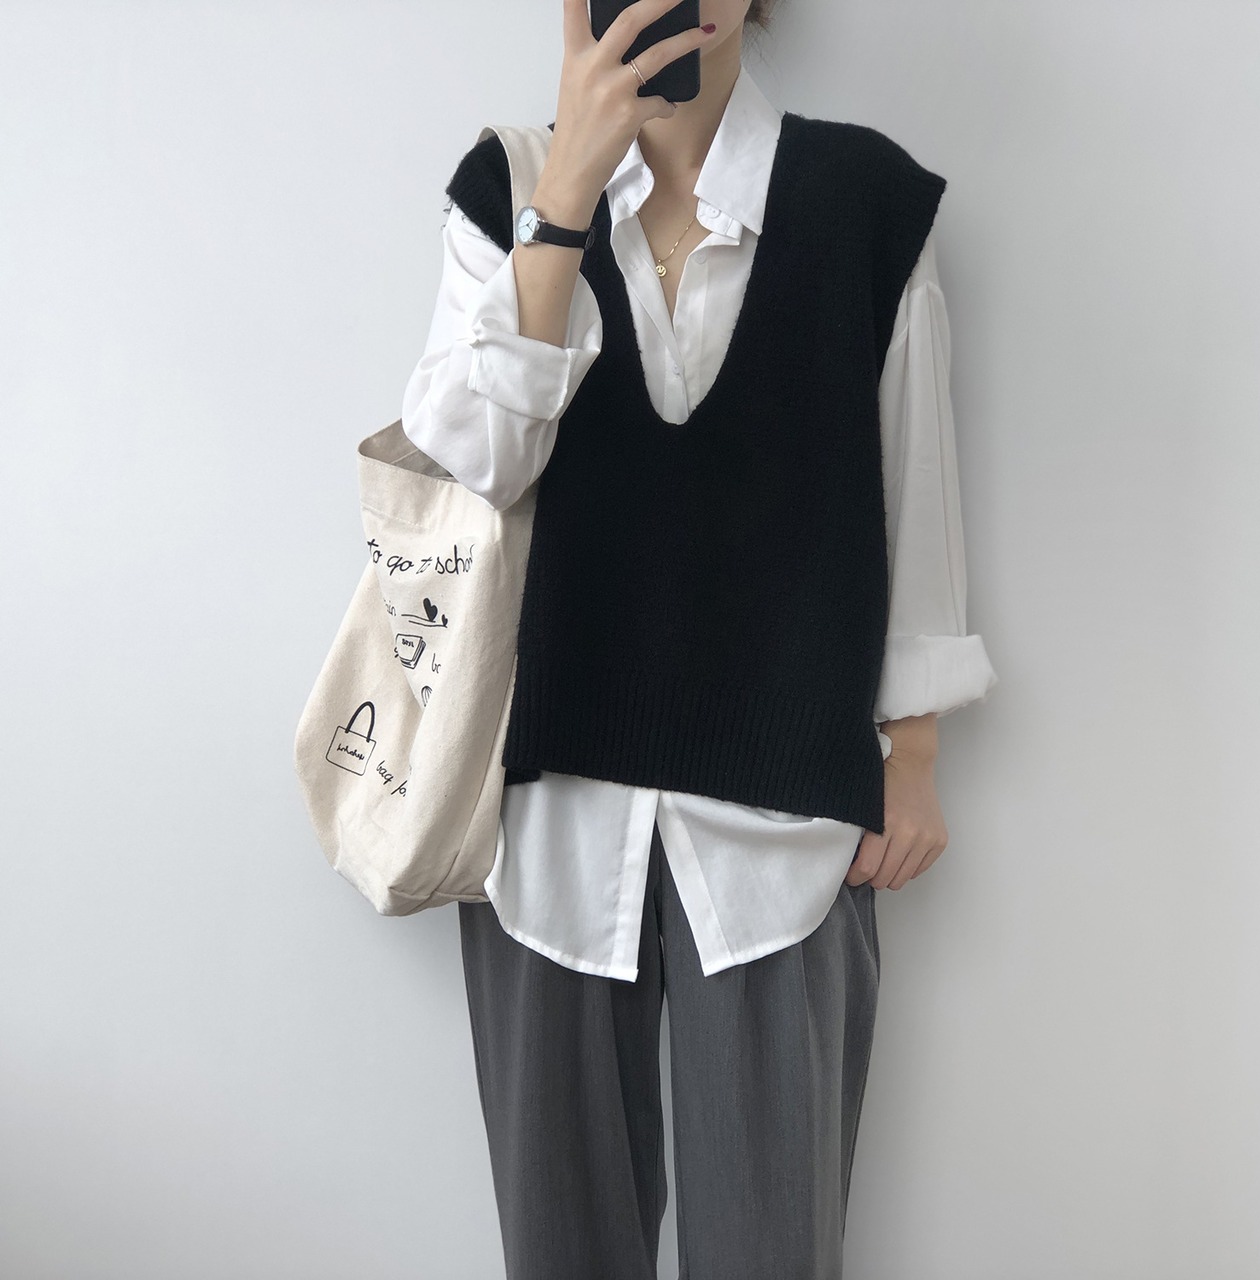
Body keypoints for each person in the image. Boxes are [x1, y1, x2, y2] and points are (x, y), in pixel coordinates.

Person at [401, 0, 998, 1275]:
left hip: (786, 817)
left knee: (773, 1248)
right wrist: (563, 200)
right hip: (542, 811)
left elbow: (914, 476)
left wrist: (913, 751)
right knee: (561, 1249)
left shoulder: (863, 200)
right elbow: (469, 466)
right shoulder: (505, 186)